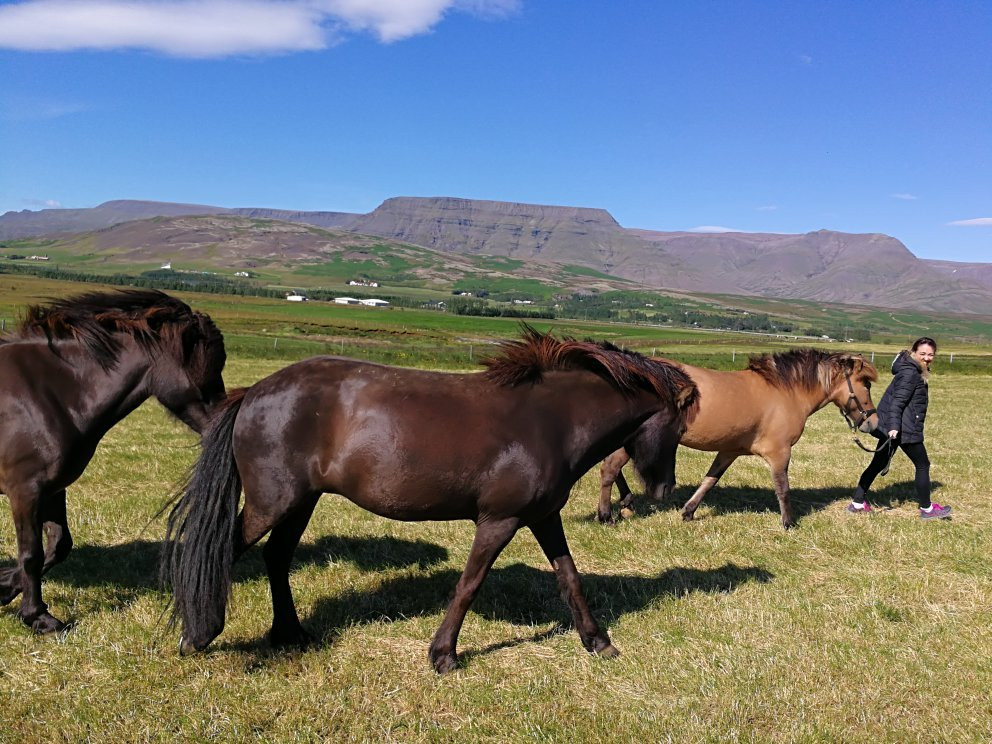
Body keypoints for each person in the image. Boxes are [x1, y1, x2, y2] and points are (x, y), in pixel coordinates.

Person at [847, 337, 951, 519]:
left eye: (931, 355)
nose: (927, 358)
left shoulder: (910, 368)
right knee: (922, 464)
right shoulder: (910, 373)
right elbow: (897, 403)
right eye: (923, 354)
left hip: (894, 425)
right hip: (902, 428)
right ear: (914, 352)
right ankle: (927, 509)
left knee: (878, 463)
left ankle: (857, 502)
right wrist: (894, 427)